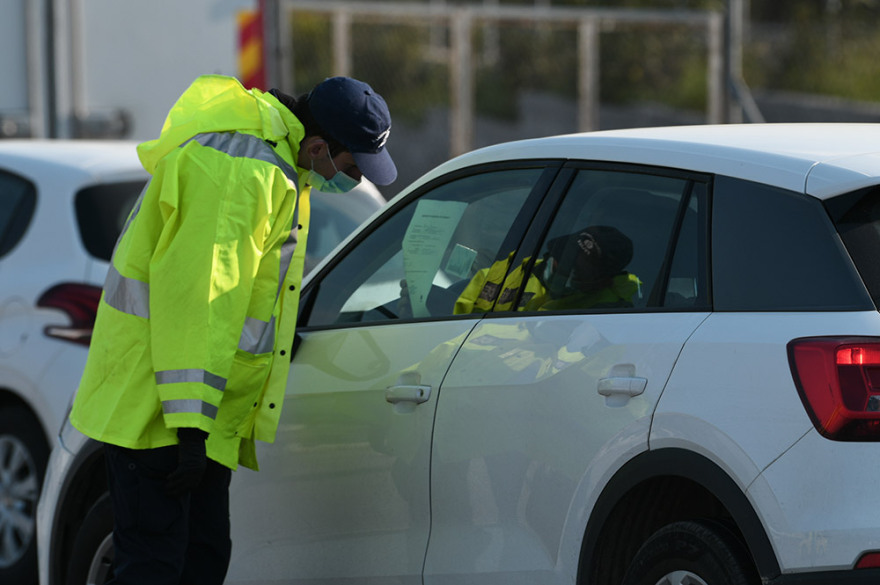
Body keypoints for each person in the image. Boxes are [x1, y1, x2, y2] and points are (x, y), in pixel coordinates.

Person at [68, 73, 397, 585]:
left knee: (196, 561)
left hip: (180, 410)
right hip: (161, 411)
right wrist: (190, 428)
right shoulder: (245, 173)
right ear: (317, 147)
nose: (354, 182)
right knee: (158, 567)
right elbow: (201, 302)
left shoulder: (268, 164)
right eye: (352, 168)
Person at [454, 225, 640, 314]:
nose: (561, 269)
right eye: (562, 256)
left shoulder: (606, 312)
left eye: (576, 271)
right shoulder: (502, 274)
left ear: (602, 282)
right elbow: (454, 324)